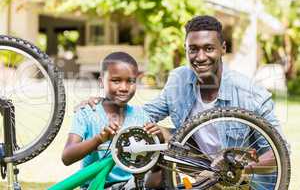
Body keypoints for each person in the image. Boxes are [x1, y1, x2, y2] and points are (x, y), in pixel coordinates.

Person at [80, 15, 289, 189]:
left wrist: (237, 168)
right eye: (193, 49)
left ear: (223, 48)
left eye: (209, 49)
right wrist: (107, 104)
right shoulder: (179, 79)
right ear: (186, 49)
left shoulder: (249, 94)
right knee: (158, 133)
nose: (200, 57)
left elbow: (280, 152)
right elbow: (143, 115)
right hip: (202, 173)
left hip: (242, 182)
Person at [62, 52, 161, 189]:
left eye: (130, 81)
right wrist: (98, 139)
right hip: (97, 185)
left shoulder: (141, 116)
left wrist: (158, 141)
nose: (124, 88)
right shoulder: (87, 113)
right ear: (102, 82)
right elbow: (67, 157)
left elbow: (153, 165)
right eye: (116, 81)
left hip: (132, 185)